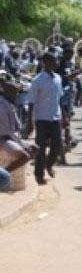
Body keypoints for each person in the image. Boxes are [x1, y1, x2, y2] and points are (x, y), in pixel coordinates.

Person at [27, 52, 63, 185]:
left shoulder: (58, 78)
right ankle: (39, 175)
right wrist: (29, 122)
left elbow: (59, 99)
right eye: (53, 61)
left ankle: (49, 165)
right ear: (46, 63)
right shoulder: (38, 80)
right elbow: (31, 101)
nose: (56, 63)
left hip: (55, 118)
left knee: (57, 145)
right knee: (40, 149)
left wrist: (63, 116)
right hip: (41, 119)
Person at [0, 78, 32, 182]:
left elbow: (17, 126)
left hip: (9, 136)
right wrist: (19, 143)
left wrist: (22, 141)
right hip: (3, 138)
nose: (16, 95)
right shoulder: (1, 106)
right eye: (14, 93)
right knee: (25, 156)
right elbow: (6, 131)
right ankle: (3, 175)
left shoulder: (9, 104)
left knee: (34, 148)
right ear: (7, 93)